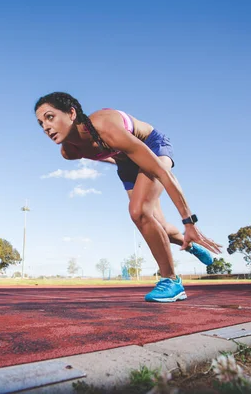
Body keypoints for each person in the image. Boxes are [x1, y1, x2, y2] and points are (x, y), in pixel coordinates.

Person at [34, 92, 223, 302]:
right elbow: (100, 154)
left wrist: (189, 222)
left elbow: (163, 173)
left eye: (50, 117)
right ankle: (190, 246)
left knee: (139, 211)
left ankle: (171, 280)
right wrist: (120, 163)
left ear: (71, 113)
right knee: (156, 224)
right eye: (40, 123)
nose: (45, 127)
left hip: (152, 146)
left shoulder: (105, 126)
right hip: (124, 161)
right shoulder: (69, 152)